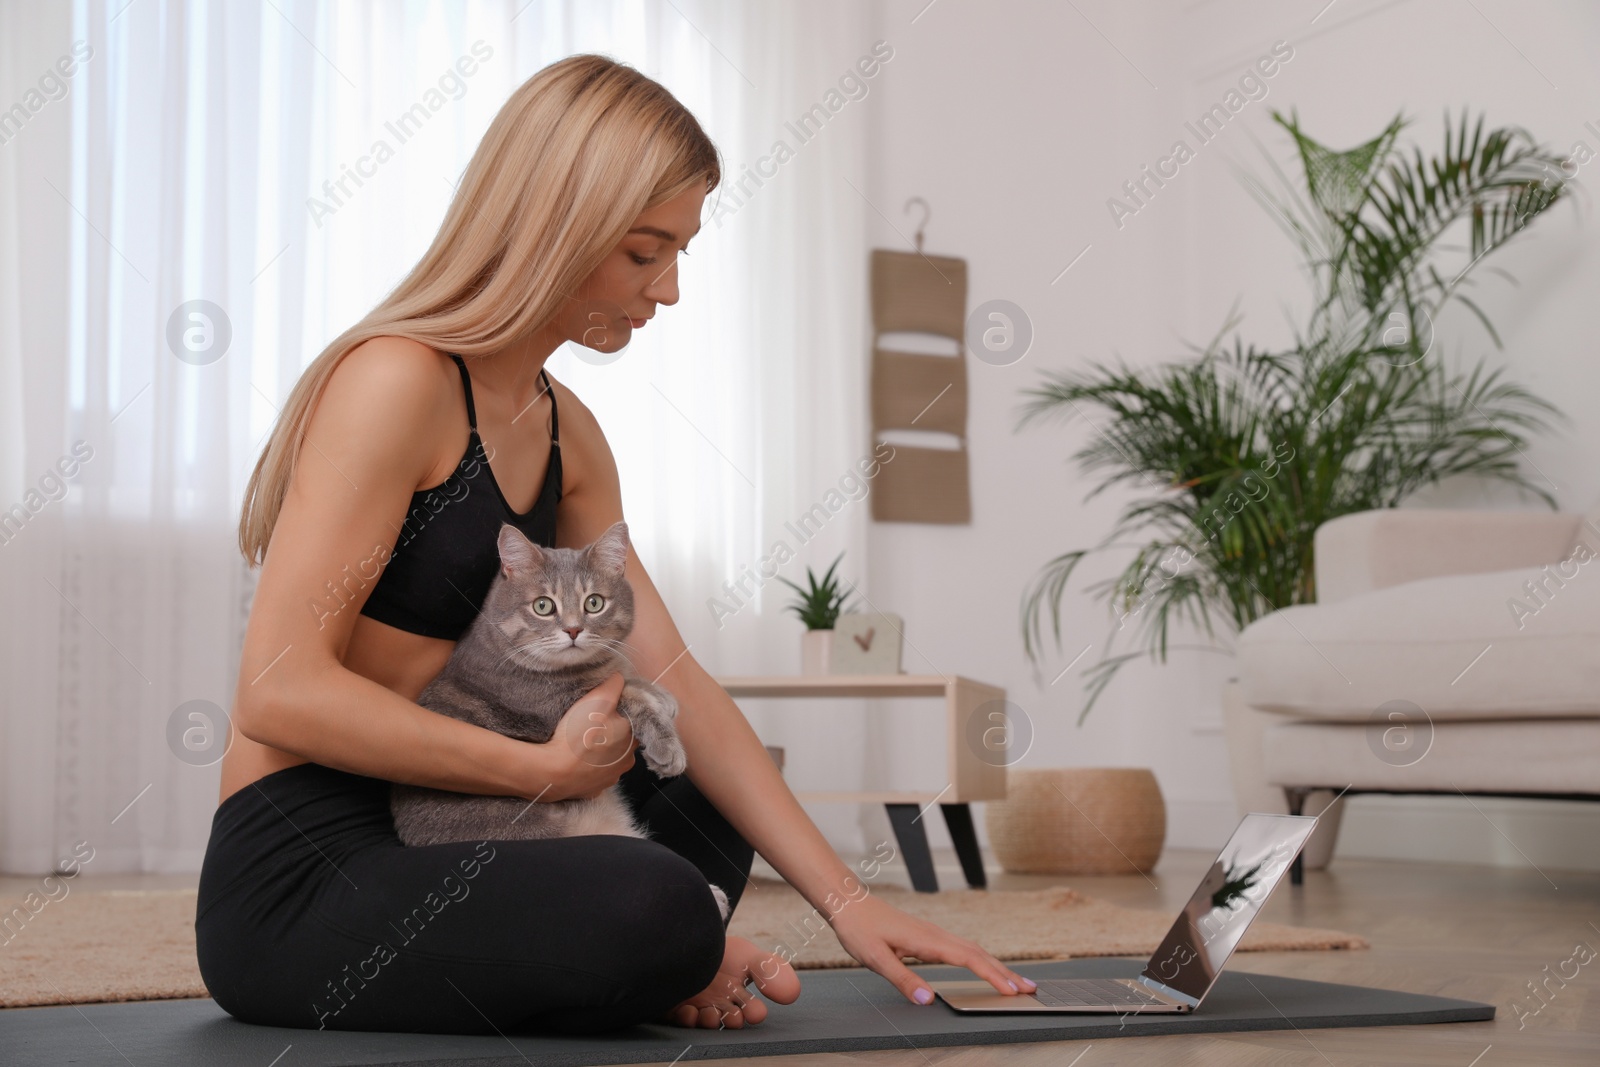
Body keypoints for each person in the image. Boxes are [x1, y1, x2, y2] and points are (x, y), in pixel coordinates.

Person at [196, 52, 1036, 1036]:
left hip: (462, 828)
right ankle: (664, 955)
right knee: (657, 901)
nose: (669, 289)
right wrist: (536, 771)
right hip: (310, 867)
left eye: (679, 250)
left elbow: (675, 671)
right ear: (557, 227)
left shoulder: (570, 433)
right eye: (645, 251)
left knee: (694, 781)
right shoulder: (398, 382)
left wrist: (852, 905)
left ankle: (648, 966)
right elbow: (277, 688)